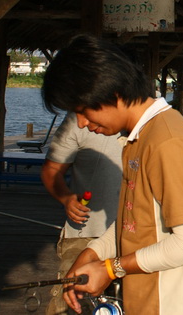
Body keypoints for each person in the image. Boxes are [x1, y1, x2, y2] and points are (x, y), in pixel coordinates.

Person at [41, 34, 183, 315]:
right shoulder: (137, 138)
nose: (82, 124)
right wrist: (94, 252)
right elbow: (133, 221)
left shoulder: (168, 142)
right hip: (152, 299)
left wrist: (111, 268)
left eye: (83, 111)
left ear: (112, 93)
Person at [41, 112, 123, 315]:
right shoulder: (78, 119)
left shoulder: (151, 123)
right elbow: (51, 170)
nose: (83, 123)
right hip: (85, 234)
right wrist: (66, 198)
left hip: (137, 237)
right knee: (68, 305)